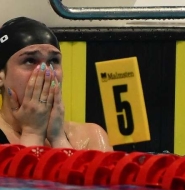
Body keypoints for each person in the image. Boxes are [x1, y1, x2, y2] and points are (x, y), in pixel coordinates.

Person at [0, 17, 113, 151]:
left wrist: (58, 138)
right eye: (30, 60)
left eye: (53, 60)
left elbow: (71, 172)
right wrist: (33, 132)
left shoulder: (91, 136)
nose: (46, 71)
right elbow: (18, 172)